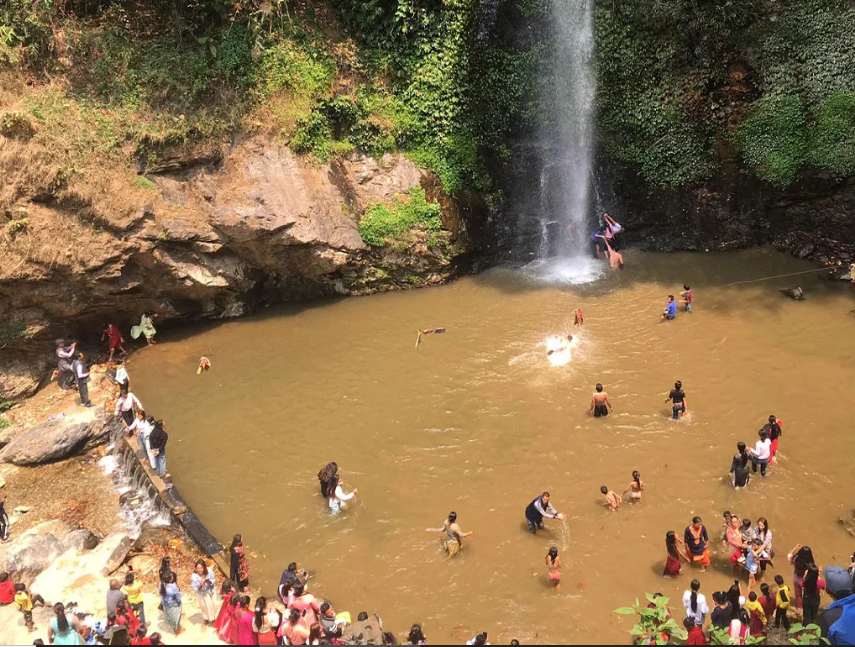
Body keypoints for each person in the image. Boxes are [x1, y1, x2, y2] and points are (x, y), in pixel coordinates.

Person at [191, 559, 217, 627]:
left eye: (201, 568)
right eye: (198, 568)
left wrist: (209, 582)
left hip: (211, 590)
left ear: (204, 567)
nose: (199, 570)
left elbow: (213, 579)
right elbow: (194, 587)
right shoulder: (194, 576)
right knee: (204, 607)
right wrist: (200, 584)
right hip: (202, 593)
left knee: (213, 604)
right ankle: (206, 619)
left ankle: (213, 618)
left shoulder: (209, 570)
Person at [159, 571, 183, 635]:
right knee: (177, 617)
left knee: (171, 617)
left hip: (166, 606)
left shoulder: (161, 585)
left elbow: (160, 593)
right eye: (172, 576)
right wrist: (180, 603)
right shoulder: (173, 587)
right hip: (174, 605)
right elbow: (178, 598)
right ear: (171, 579)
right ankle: (177, 631)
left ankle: (174, 628)